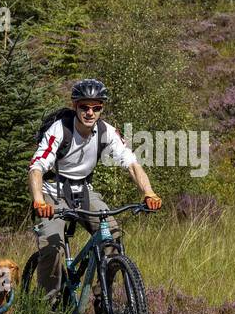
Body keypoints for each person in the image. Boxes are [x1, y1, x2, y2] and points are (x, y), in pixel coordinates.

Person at [28, 78, 161, 298]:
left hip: (84, 191)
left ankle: (103, 297)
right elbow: (36, 167)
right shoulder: (59, 130)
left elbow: (132, 164)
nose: (90, 113)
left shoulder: (106, 131)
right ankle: (45, 306)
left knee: (113, 234)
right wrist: (39, 201)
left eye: (96, 107)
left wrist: (149, 193)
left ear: (102, 108)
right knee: (53, 248)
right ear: (75, 106)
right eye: (84, 107)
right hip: (52, 192)